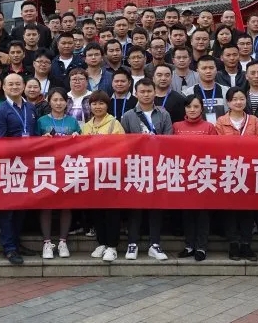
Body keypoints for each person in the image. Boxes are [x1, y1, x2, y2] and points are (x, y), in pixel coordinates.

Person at [120, 78, 174, 260]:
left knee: (155, 206)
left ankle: (155, 244)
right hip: (136, 166)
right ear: (136, 93)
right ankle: (132, 243)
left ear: (155, 92)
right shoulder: (128, 115)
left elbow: (169, 140)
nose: (146, 94)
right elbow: (124, 142)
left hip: (158, 166)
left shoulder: (164, 114)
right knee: (135, 206)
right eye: (142, 91)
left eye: (149, 91)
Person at [0, 73, 38, 265]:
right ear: (3, 87)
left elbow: (35, 135)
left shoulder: (31, 108)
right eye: (10, 84)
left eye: (18, 84)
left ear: (24, 86)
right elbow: (0, 141)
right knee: (8, 208)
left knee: (22, 207)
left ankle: (17, 243)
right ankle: (9, 248)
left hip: (28, 164)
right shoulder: (0, 111)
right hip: (10, 165)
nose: (14, 87)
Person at [214, 89, 258, 261]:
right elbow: (217, 146)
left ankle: (246, 244)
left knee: (248, 209)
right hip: (229, 170)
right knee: (230, 209)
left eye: (241, 99)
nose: (238, 102)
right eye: (234, 99)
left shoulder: (254, 120)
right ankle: (233, 244)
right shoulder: (221, 121)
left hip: (249, 170)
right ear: (228, 102)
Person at [36, 88, 81, 259]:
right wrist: (42, 140)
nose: (58, 103)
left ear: (66, 102)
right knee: (46, 205)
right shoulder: (41, 121)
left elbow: (82, 145)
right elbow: (31, 144)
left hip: (67, 167)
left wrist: (78, 137)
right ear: (49, 101)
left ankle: (63, 241)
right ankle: (47, 242)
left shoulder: (73, 121)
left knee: (65, 204)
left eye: (62, 100)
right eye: (55, 100)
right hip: (47, 167)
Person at [172, 94, 217, 261]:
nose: (192, 110)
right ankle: (189, 245)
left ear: (201, 109)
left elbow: (215, 150)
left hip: (203, 174)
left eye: (196, 107)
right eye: (189, 106)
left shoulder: (209, 127)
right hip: (183, 174)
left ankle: (201, 247)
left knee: (203, 213)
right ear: (184, 108)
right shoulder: (176, 126)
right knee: (187, 212)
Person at [81, 91, 126, 262]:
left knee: (111, 211)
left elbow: (123, 147)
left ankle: (112, 246)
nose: (97, 107)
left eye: (101, 103)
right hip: (92, 175)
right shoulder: (86, 126)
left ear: (107, 105)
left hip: (111, 174)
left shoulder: (114, 123)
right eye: (94, 103)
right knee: (96, 210)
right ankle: (101, 242)